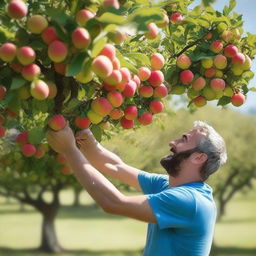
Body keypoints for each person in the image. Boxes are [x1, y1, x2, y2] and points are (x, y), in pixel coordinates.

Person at [46, 120, 227, 256]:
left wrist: (69, 150)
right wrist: (88, 141)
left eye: (184, 139)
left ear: (198, 158)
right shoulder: (168, 185)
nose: (173, 142)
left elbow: (113, 203)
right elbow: (115, 166)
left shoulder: (190, 201)